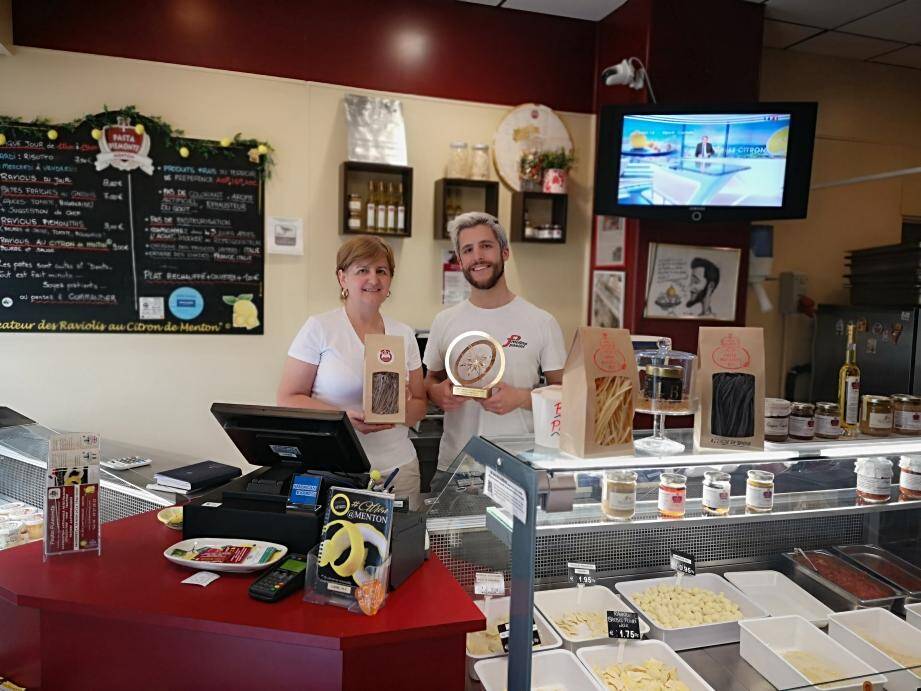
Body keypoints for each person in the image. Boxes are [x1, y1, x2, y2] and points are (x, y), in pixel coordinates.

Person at [277, 237, 426, 507]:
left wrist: (401, 405)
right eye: (362, 270)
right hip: (336, 471)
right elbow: (288, 398)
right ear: (342, 277)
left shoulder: (404, 334)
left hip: (399, 470)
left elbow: (419, 407)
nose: (374, 278)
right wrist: (342, 418)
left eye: (382, 271)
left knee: (401, 548)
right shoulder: (320, 328)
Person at [423, 212, 567, 476]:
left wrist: (523, 398)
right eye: (467, 250)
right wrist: (437, 393)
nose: (477, 256)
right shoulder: (444, 321)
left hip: (519, 468)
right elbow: (429, 381)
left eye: (486, 246)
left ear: (505, 252)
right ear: (459, 260)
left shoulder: (541, 321)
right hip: (455, 471)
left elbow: (568, 396)